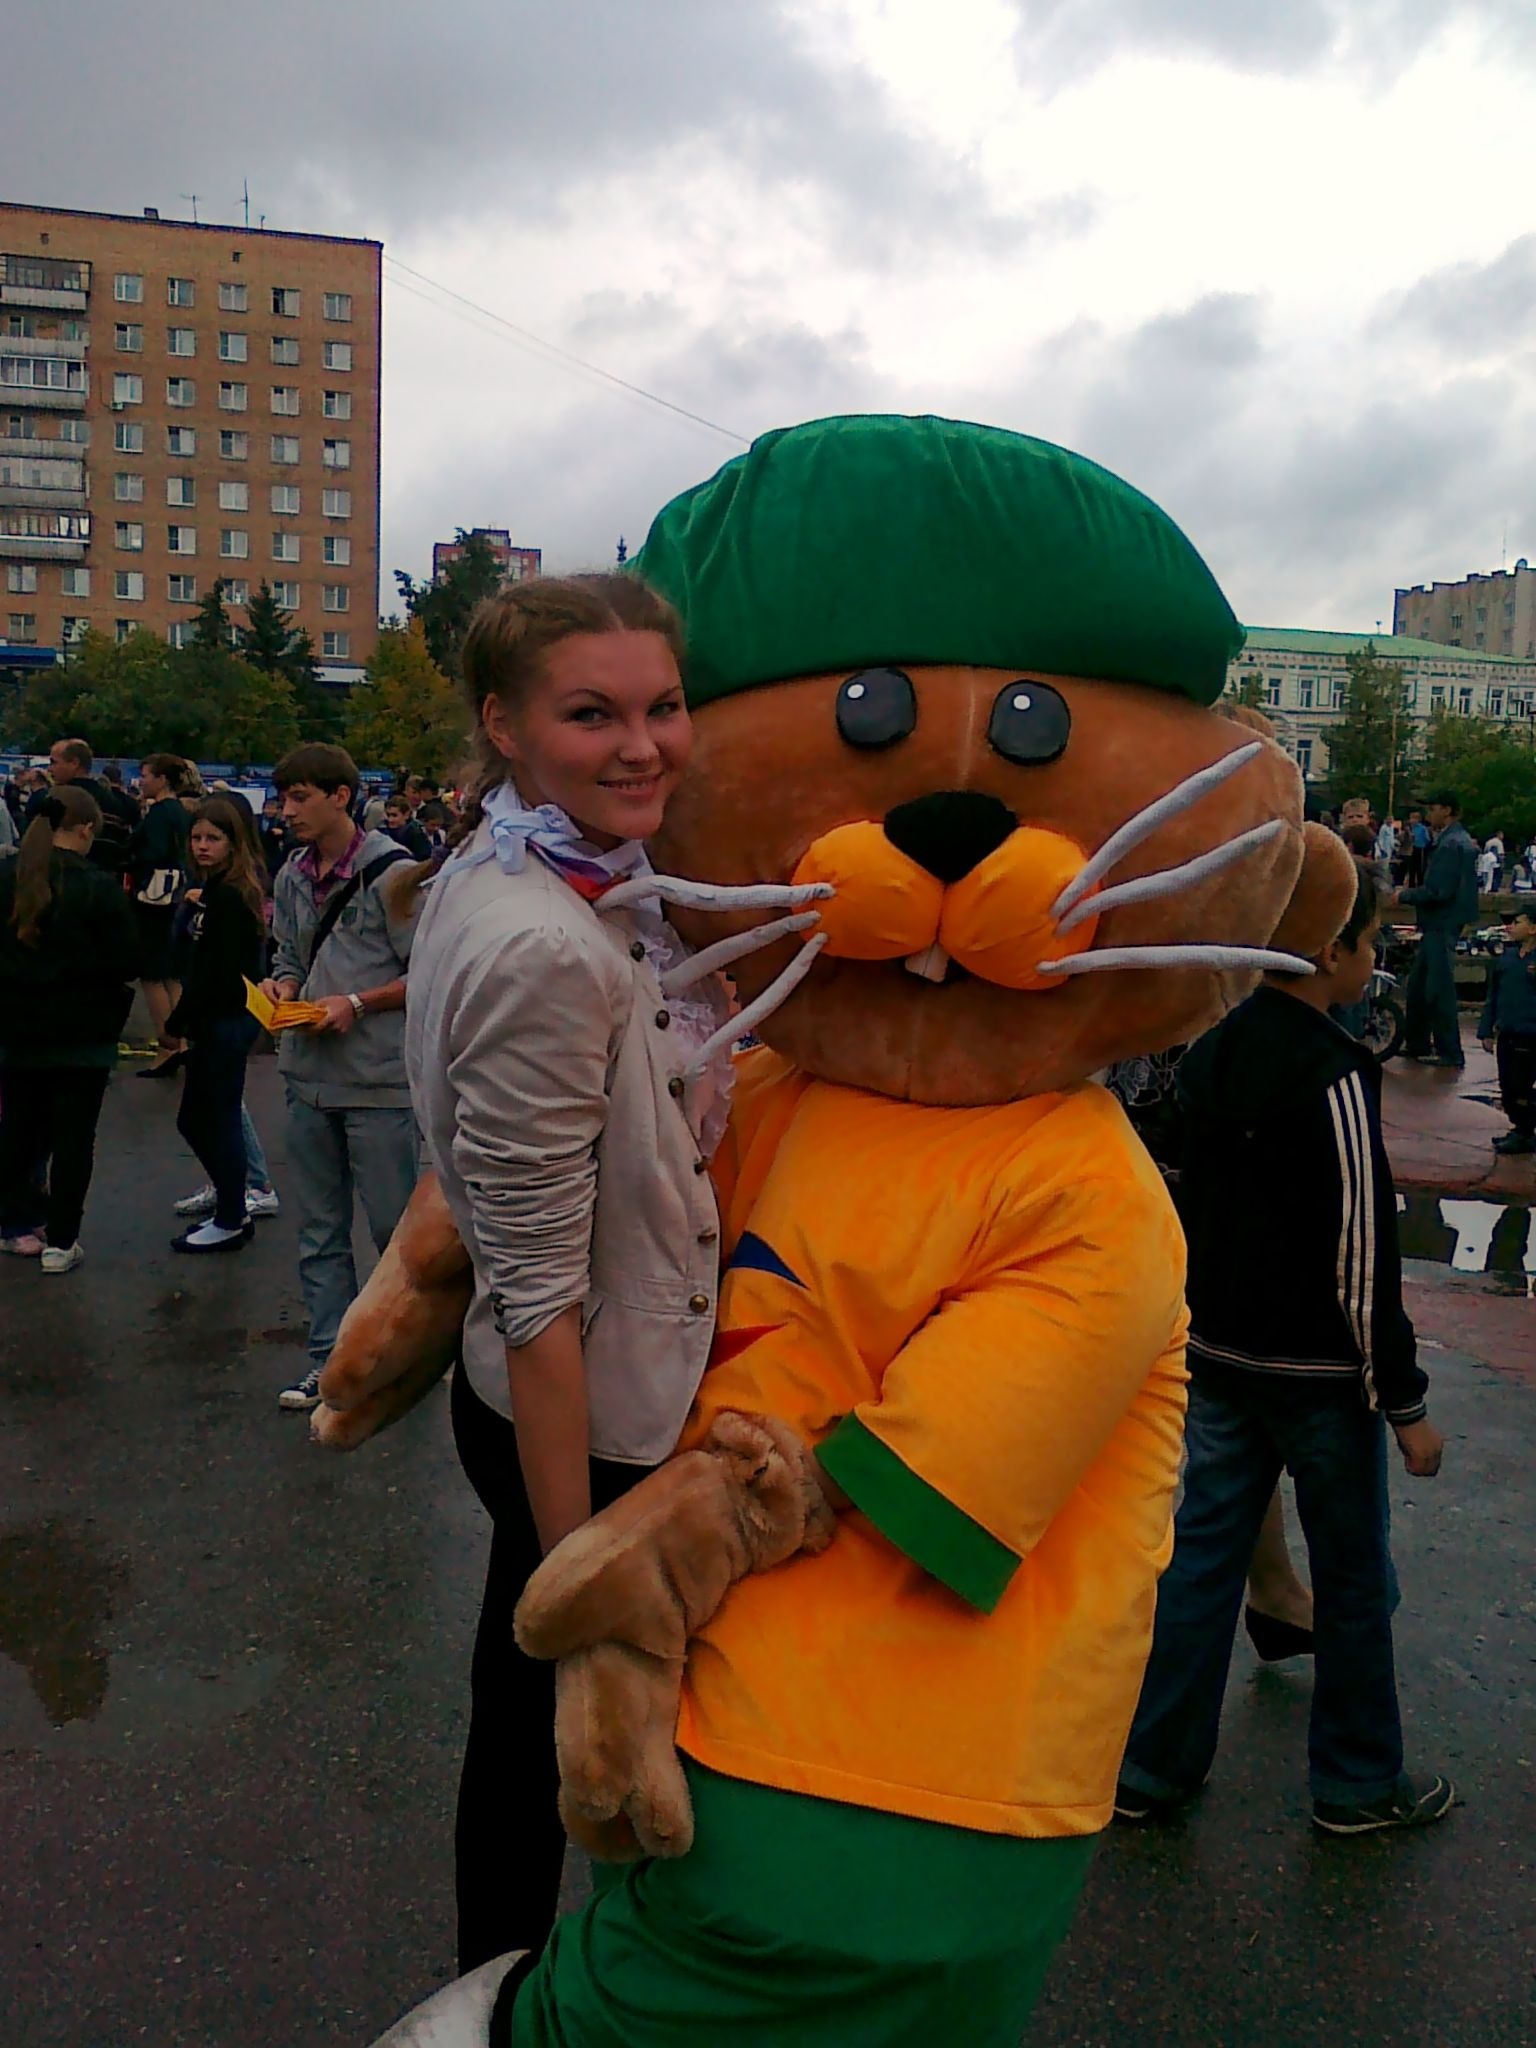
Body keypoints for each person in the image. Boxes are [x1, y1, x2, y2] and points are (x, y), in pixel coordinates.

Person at [395, 571, 742, 1971]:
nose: (644, 745)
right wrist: (577, 1564)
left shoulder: (528, 864)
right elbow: (543, 1296)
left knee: (517, 1707)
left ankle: (493, 1974)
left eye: (665, 707)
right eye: (593, 714)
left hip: (538, 1387)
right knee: (575, 1703)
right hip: (583, 1414)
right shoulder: (547, 940)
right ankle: (539, 1981)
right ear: (504, 722)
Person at [1116, 860, 1454, 1836]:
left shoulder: (1215, 1049)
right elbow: (1362, 1253)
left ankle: (1152, 1764)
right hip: (1322, 1378)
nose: (1372, 959)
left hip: (1224, 1357)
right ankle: (1357, 1780)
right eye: (1368, 941)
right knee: (1351, 1577)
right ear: (1329, 951)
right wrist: (1403, 1399)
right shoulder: (1335, 1071)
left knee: (1200, 1560)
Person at [260, 743, 418, 1412]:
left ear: (341, 797)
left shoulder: (395, 874)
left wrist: (357, 1002)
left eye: (300, 797)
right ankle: (330, 1365)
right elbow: (289, 953)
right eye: (283, 798)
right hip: (307, 1076)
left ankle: (402, 1358)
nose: (286, 811)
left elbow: (429, 973)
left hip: (378, 1083)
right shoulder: (292, 873)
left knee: (394, 1236)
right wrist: (283, 986)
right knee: (319, 1233)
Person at [0, 786, 139, 1273]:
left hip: (18, 1028)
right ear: (85, 829)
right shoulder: (99, 887)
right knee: (74, 1140)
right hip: (84, 1033)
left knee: (18, 1130)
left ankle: (15, 1222)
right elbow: (127, 960)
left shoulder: (9, 878)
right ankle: (62, 1240)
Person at [160, 797, 269, 1255]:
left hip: (224, 1018)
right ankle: (231, 1205)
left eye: (213, 838)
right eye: (197, 838)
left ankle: (231, 1214)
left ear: (233, 843)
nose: (202, 846)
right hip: (215, 1017)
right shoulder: (213, 891)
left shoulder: (231, 896)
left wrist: (178, 1020)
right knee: (200, 1119)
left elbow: (217, 970)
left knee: (214, 1119)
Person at [1399, 790, 1480, 1069]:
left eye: (1432, 808)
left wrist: (1404, 895)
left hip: (1441, 922)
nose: (1428, 813)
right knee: (1419, 985)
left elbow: (1438, 890)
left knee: (1438, 988)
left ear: (1447, 810)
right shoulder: (1458, 839)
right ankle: (1417, 1042)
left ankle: (1450, 1052)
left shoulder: (1450, 844)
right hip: (1444, 922)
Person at [130, 753, 193, 1077]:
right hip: (177, 897)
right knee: (172, 974)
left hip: (153, 901)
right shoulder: (181, 812)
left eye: (145, 775)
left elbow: (151, 853)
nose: (141, 781)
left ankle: (167, 1044)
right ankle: (182, 1041)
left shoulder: (158, 814)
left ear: (162, 779)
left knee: (152, 974)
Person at [25, 738, 136, 873]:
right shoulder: (115, 802)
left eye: (54, 762)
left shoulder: (52, 800)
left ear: (74, 763)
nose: (49, 769)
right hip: (104, 876)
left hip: (57, 874)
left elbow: (35, 842)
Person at [1479, 906, 1536, 1157]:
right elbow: (1493, 996)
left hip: (1530, 1033)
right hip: (1507, 1032)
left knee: (1521, 1085)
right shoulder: (1507, 959)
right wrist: (1486, 1030)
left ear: (1533, 928)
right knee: (1508, 1085)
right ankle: (1520, 1127)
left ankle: (1525, 1131)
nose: (1511, 926)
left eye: (1518, 922)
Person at [382, 793, 432, 859]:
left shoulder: (415, 834)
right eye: (388, 815)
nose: (390, 820)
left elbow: (424, 857)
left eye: (394, 815)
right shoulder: (383, 831)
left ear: (406, 815)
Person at [1407, 808, 1430, 888]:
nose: (1411, 820)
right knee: (1412, 868)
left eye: (1413, 818)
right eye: (1411, 818)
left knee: (1420, 868)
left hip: (1421, 849)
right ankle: (1411, 885)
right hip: (1413, 848)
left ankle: (1420, 885)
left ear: (1418, 819)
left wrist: (1422, 843)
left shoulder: (1423, 828)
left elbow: (1427, 839)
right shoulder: (1411, 828)